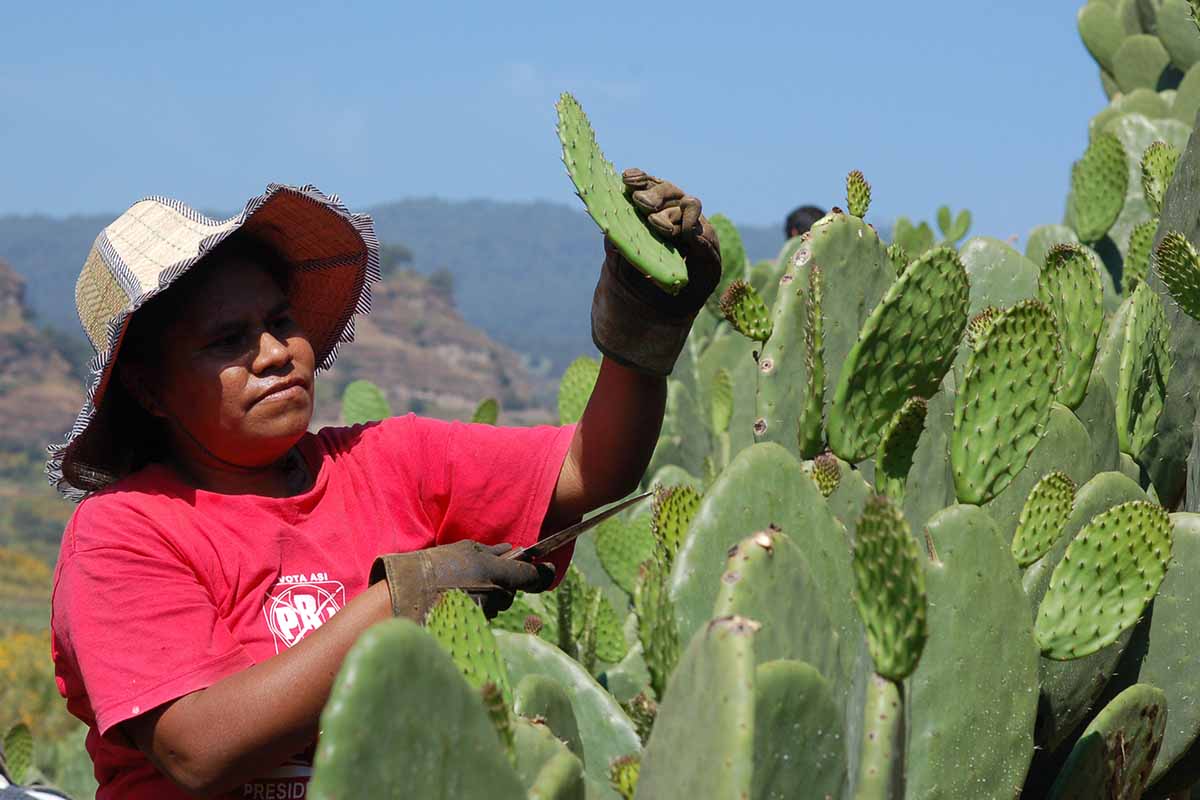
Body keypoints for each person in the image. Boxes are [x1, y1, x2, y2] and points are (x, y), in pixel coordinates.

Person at [47, 174, 720, 799]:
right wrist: (397, 600)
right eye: (227, 341)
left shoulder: (389, 461)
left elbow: (587, 470)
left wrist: (643, 325)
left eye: (280, 322)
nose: (276, 353)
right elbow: (197, 749)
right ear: (149, 390)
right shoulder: (127, 530)